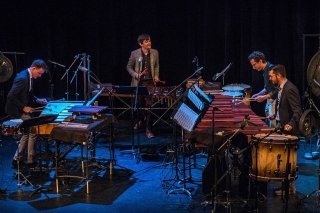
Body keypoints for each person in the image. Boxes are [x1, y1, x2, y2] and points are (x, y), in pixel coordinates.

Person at [6, 59, 48, 168]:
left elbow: (28, 93)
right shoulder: (23, 78)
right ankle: (29, 160)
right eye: (39, 73)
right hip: (15, 110)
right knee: (32, 130)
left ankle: (18, 160)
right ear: (34, 68)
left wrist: (38, 100)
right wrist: (23, 107)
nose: (39, 76)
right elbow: (10, 96)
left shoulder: (29, 77)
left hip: (20, 108)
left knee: (27, 132)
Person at [127, 33, 160, 138]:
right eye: (146, 41)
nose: (149, 42)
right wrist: (136, 75)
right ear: (141, 43)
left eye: (149, 40)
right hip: (139, 83)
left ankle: (148, 130)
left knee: (150, 107)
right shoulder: (135, 53)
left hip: (150, 83)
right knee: (139, 106)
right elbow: (128, 67)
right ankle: (141, 120)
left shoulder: (155, 52)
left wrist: (156, 75)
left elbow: (156, 66)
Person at [268, 64, 302, 135]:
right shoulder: (281, 87)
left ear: (279, 75)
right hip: (280, 126)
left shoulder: (290, 89)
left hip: (288, 130)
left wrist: (291, 124)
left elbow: (297, 110)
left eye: (271, 76)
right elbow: (283, 106)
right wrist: (275, 115)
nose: (270, 79)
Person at [248, 51, 278, 127]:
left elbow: (277, 90)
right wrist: (259, 94)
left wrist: (264, 97)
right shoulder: (265, 71)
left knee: (273, 126)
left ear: (260, 61)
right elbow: (267, 87)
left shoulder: (272, 70)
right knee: (269, 124)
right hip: (269, 101)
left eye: (254, 65)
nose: (253, 68)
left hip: (275, 102)